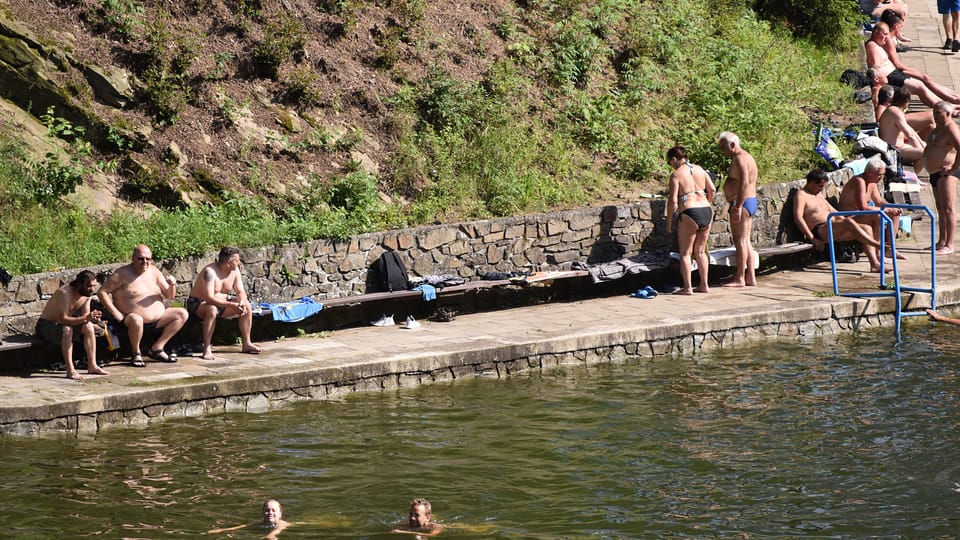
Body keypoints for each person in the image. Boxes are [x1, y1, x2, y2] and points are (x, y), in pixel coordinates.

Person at [97, 244, 188, 367]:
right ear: (133, 258)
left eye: (148, 259)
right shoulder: (122, 274)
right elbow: (102, 292)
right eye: (140, 259)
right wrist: (116, 313)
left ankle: (158, 348)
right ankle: (136, 353)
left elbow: (170, 296)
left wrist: (172, 285)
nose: (144, 262)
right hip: (130, 319)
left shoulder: (154, 271)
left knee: (182, 313)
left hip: (158, 318)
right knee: (137, 319)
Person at [794, 169, 886, 272]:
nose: (821, 189)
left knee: (866, 228)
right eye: (820, 186)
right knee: (849, 222)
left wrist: (844, 220)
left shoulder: (818, 194)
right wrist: (812, 238)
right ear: (812, 183)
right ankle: (878, 245)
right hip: (820, 230)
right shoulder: (801, 195)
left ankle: (875, 264)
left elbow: (831, 210)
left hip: (834, 226)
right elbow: (798, 218)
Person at [187, 246, 262, 360]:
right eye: (237, 261)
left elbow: (240, 291)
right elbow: (209, 297)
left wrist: (241, 300)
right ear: (228, 263)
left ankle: (247, 343)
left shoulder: (235, 271)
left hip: (223, 303)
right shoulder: (210, 272)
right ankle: (206, 348)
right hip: (199, 304)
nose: (239, 263)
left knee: (246, 305)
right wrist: (231, 305)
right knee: (212, 309)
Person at [36, 270, 110, 380]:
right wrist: (86, 318)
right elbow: (63, 319)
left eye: (94, 286)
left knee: (88, 326)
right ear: (79, 284)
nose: (92, 289)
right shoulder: (64, 293)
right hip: (47, 326)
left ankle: (92, 365)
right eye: (89, 286)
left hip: (66, 325)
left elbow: (86, 316)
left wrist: (93, 319)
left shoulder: (87, 294)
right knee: (67, 330)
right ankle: (70, 370)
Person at [866, 23, 960, 108]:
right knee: (919, 86)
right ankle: (944, 107)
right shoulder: (872, 46)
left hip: (895, 73)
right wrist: (883, 83)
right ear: (876, 33)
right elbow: (876, 69)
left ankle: (951, 99)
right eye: (885, 34)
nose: (887, 37)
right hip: (890, 77)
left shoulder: (878, 44)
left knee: (922, 82)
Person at [665, 145, 716, 295]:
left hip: (690, 211)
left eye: (670, 162)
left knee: (686, 253)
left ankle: (687, 288)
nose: (671, 165)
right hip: (706, 210)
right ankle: (704, 285)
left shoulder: (676, 175)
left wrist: (669, 223)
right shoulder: (700, 169)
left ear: (674, 159)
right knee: (700, 252)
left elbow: (673, 201)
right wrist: (707, 202)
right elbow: (712, 189)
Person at [838, 158, 906, 261]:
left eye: (882, 174)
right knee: (878, 216)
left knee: (895, 214)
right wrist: (886, 211)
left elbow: (879, 201)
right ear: (869, 172)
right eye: (879, 174)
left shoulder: (873, 183)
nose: (881, 177)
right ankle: (878, 253)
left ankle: (890, 249)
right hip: (849, 216)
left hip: (860, 215)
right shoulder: (859, 181)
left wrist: (892, 207)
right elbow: (863, 207)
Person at [718, 131, 757, 287]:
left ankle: (740, 278)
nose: (722, 151)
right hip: (749, 201)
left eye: (723, 147)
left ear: (732, 145)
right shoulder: (747, 157)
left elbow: (744, 183)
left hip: (743, 203)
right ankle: (751, 277)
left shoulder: (740, 159)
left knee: (740, 241)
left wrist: (738, 207)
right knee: (746, 241)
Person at [922, 101, 960, 254]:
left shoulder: (951, 128)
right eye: (934, 112)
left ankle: (949, 245)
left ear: (948, 113)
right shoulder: (939, 127)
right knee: (940, 208)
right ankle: (941, 241)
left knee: (949, 209)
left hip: (946, 173)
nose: (935, 115)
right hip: (934, 173)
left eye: (939, 113)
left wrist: (953, 168)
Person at [879, 87, 927, 168]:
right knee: (924, 154)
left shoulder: (895, 110)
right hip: (892, 151)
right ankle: (913, 178)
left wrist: (921, 144)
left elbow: (911, 130)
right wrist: (920, 149)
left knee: (925, 146)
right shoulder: (895, 112)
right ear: (906, 101)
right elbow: (909, 135)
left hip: (899, 147)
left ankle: (914, 175)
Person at [208, 499, 291, 539]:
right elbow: (241, 527)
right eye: (267, 510)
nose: (270, 513)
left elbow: (273, 534)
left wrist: (264, 537)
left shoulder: (282, 525)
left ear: (280, 514)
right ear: (262, 513)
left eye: (273, 510)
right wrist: (221, 530)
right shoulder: (259, 522)